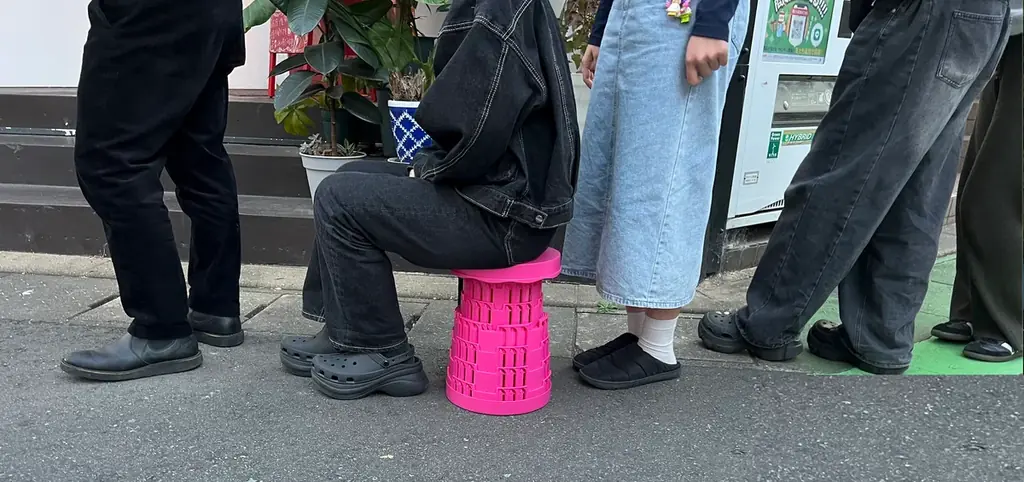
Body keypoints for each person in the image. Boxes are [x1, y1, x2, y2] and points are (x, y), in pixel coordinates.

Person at [277, 0, 579, 400]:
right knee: (348, 175)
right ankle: (344, 327)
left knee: (339, 198)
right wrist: (429, 167)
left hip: (504, 216)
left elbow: (477, 132)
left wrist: (429, 169)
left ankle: (382, 351)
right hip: (503, 199)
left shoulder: (499, 9)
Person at [697, 0, 1012, 374]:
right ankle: (880, 337)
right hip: (985, 18)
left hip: (921, 14)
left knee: (842, 169)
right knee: (919, 187)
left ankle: (768, 322)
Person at [560, 0, 750, 389]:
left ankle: (658, 346)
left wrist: (713, 22)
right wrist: (602, 29)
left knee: (669, 166)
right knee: (628, 169)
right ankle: (639, 336)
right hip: (633, 14)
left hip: (688, 15)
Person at [60, 0, 247, 381]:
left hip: (148, 14)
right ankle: (215, 307)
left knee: (111, 164)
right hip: (212, 12)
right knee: (198, 156)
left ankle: (161, 331)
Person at [931, 9, 1022, 363]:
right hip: (1007, 37)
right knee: (972, 187)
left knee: (997, 195)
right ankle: (972, 312)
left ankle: (1006, 326)